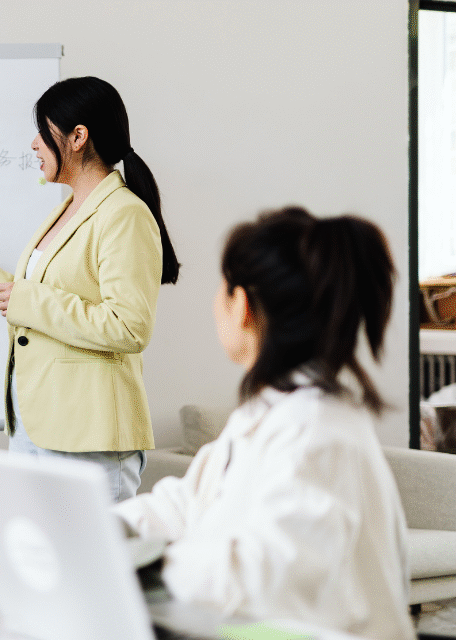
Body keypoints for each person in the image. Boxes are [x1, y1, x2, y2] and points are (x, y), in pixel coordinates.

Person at [114, 207, 414, 639]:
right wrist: (108, 525)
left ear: (243, 306)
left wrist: (144, 563)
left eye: (222, 286)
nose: (214, 302)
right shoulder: (269, 413)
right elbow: (188, 503)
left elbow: (261, 576)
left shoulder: (317, 432)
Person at [0, 76, 179, 502]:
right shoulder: (65, 209)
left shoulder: (124, 214)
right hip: (37, 425)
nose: (33, 144)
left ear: (78, 137)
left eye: (42, 131)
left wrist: (29, 299)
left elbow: (129, 326)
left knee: (94, 567)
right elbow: (28, 298)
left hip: (88, 435)